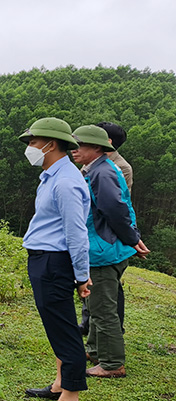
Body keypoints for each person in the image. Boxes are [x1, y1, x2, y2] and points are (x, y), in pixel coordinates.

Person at [20, 118, 91, 401]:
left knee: (64, 327)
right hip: (43, 258)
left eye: (33, 142)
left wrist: (81, 274)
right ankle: (61, 382)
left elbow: (76, 232)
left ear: (51, 144)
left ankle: (71, 400)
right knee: (55, 324)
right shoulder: (51, 176)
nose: (30, 148)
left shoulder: (66, 182)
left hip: (55, 260)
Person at [71, 125, 149, 378]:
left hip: (103, 250)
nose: (74, 150)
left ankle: (112, 363)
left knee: (104, 310)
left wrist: (132, 239)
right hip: (105, 247)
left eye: (79, 145)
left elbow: (115, 210)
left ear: (97, 147)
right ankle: (95, 350)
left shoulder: (102, 173)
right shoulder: (100, 168)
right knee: (94, 306)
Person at [79, 121, 134, 335]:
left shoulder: (114, 168)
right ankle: (91, 332)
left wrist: (131, 237)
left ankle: (111, 342)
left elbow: (116, 207)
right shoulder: (92, 163)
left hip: (105, 239)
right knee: (95, 290)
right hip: (95, 239)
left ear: (105, 142)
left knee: (107, 294)